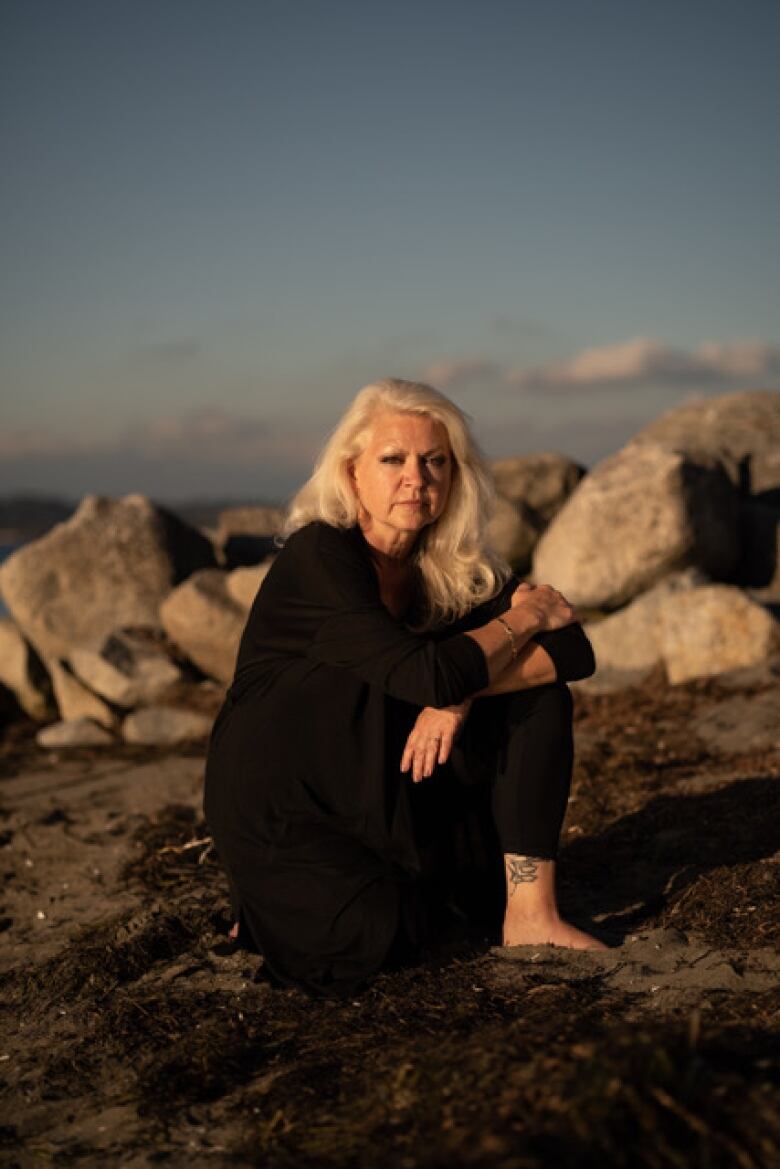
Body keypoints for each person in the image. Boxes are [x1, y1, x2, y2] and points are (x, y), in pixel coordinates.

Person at [204, 377, 606, 997]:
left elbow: (573, 652)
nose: (415, 479)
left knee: (538, 695)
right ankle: (260, 906)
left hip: (387, 783)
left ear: (454, 476)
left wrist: (463, 694)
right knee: (383, 937)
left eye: (434, 461)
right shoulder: (321, 558)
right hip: (290, 808)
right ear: (352, 473)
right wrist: (520, 620)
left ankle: (533, 917)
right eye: (392, 460)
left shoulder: (446, 565)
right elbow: (436, 671)